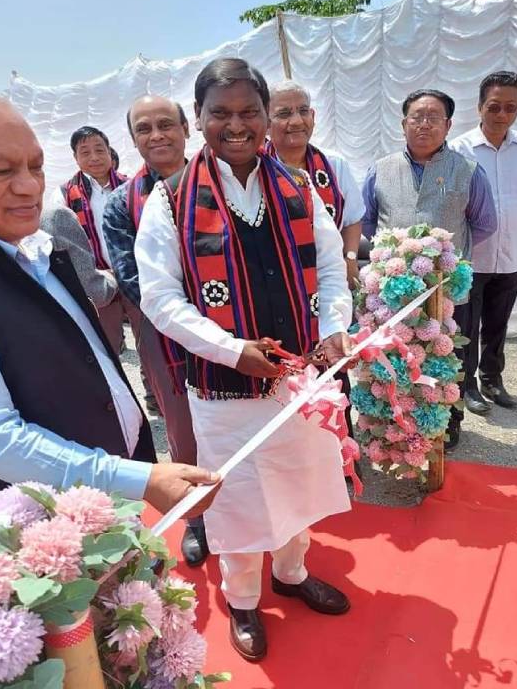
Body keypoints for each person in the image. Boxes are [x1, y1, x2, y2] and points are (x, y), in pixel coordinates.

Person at [136, 58, 354, 663]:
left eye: (248, 111)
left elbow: (333, 269)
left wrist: (334, 328)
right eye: (220, 113)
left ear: (265, 116)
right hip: (223, 390)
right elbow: (159, 298)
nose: (237, 124)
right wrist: (233, 351)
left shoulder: (298, 186)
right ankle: (244, 599)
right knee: (236, 499)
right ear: (199, 120)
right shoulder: (170, 201)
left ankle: (291, 572)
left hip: (299, 379)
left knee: (299, 483)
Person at [0, 97, 219, 513]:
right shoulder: (121, 203)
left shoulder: (46, 250)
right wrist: (138, 478)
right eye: (1, 171)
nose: (28, 185)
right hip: (54, 515)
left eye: (36, 166)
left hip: (117, 475)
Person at [102, 95, 211, 567]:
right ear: (133, 140)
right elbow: (132, 278)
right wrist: (190, 309)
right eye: (144, 128)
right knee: (183, 429)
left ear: (187, 127)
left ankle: (253, 511)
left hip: (235, 326)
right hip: (163, 334)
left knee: (246, 418)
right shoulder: (120, 204)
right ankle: (197, 518)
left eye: (166, 124)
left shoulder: (219, 180)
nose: (157, 135)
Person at [362, 88, 497, 447]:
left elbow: (484, 223)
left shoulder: (468, 170)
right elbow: (367, 222)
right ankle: (395, 421)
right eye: (416, 117)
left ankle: (449, 421)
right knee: (394, 358)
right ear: (403, 123)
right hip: (392, 292)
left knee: (447, 355)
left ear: (448, 125)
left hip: (448, 291)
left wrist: (452, 259)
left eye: (433, 117)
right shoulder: (381, 169)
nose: (424, 124)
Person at [449, 71, 517, 413]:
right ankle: (467, 385)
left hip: (511, 257)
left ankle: (492, 379)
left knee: (498, 325)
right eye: (494, 107)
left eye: (510, 108)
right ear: (479, 107)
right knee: (467, 326)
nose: (502, 115)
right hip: (472, 259)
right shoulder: (459, 149)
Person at [265, 80, 366, 288]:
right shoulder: (256, 168)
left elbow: (352, 220)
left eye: (303, 111)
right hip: (278, 280)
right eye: (284, 114)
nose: (296, 121)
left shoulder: (334, 163)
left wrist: (350, 260)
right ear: (265, 124)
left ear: (313, 116)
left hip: (332, 277)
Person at [50, 126, 129, 352]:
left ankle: (155, 389)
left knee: (152, 345)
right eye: (85, 152)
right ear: (75, 158)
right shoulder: (64, 194)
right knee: (107, 345)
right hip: (97, 281)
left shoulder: (132, 186)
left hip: (136, 276)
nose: (94, 157)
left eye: (99, 150)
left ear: (109, 152)